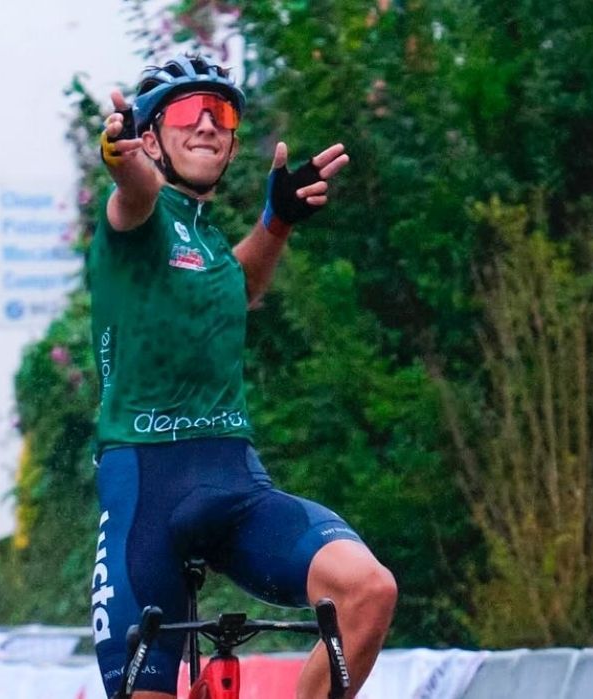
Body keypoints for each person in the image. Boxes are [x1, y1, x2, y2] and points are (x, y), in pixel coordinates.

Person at [87, 53, 398, 699]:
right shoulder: (138, 220)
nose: (206, 124)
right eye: (183, 111)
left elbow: (240, 287)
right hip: (145, 491)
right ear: (149, 136)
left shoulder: (206, 244)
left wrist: (276, 221)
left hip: (233, 482)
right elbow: (133, 186)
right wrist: (116, 150)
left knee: (368, 590)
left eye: (220, 113)